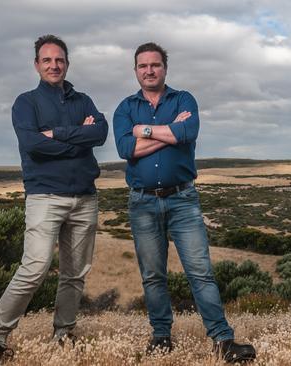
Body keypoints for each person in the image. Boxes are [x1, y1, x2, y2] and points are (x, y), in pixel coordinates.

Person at [113, 42, 256, 363]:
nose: (149, 71)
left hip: (183, 200)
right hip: (142, 203)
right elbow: (126, 149)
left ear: (165, 67)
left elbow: (187, 133)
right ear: (135, 70)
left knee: (201, 272)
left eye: (155, 65)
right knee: (153, 275)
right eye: (142, 66)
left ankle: (222, 340)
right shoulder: (124, 108)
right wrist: (168, 133)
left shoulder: (184, 99)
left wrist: (144, 132)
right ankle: (161, 337)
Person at [0, 34, 108, 366]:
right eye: (47, 60)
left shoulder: (83, 100)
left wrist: (59, 134)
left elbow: (100, 133)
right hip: (45, 196)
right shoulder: (26, 102)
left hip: (84, 197)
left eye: (59, 59)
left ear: (67, 63)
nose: (54, 65)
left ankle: (64, 334)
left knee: (75, 274)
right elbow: (33, 145)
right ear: (37, 65)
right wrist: (79, 138)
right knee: (33, 268)